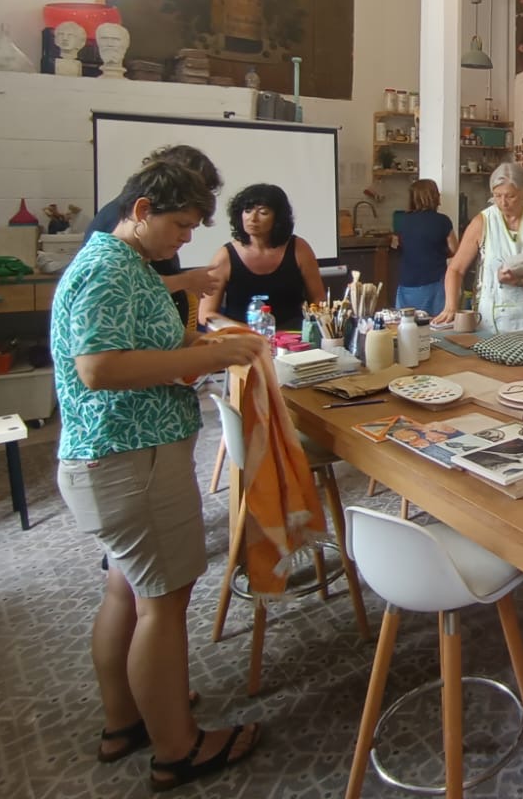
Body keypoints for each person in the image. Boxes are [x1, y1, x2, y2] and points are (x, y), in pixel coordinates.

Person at [52, 159, 267, 789]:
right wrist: (212, 353)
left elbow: (134, 349)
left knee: (126, 588)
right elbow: (97, 367)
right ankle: (178, 748)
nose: (184, 240)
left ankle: (127, 719)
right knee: (162, 606)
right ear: (141, 211)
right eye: (179, 225)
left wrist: (189, 355)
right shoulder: (106, 271)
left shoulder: (122, 264)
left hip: (121, 457)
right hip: (130, 460)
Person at [85, 145, 223, 325]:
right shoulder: (108, 265)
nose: (187, 238)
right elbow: (103, 353)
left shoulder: (137, 254)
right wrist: (185, 280)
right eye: (182, 224)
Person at [434, 162, 523, 334]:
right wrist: (450, 307)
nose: (503, 203)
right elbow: (456, 269)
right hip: (490, 319)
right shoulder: (483, 222)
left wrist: (518, 280)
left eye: (510, 196)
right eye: (497, 196)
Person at [197, 183, 326, 332]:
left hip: (293, 337)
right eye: (247, 211)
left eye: (263, 212)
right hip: (242, 338)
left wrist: (311, 328)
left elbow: (318, 299)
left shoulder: (299, 248)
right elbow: (205, 314)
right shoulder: (225, 256)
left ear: (277, 219)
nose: (253, 218)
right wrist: (250, 331)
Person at [394, 179, 455, 314]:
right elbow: (454, 249)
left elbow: (400, 244)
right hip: (434, 281)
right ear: (434, 197)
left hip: (407, 282)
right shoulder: (443, 221)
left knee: (406, 324)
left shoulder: (402, 220)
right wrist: (440, 252)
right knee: (435, 326)